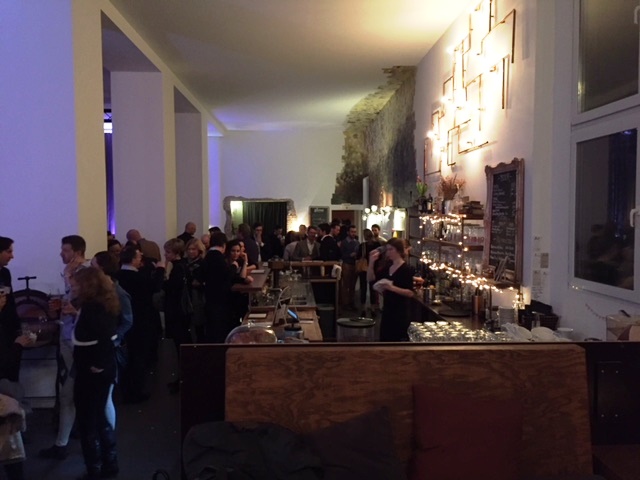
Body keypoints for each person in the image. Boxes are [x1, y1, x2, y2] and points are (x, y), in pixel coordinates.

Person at [40, 235, 91, 461]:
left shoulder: (85, 275)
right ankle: (64, 442)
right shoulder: (71, 273)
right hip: (68, 336)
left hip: (77, 341)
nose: (61, 253)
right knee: (68, 392)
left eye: (65, 250)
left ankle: (73, 443)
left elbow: (85, 306)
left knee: (73, 392)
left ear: (77, 252)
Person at [70, 267, 119, 480]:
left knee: (88, 422)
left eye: (75, 283)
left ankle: (94, 468)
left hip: (91, 373)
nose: (72, 286)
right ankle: (110, 463)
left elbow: (103, 337)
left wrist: (98, 363)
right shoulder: (105, 304)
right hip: (102, 371)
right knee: (100, 418)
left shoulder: (91, 308)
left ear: (86, 285)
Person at [89, 251, 132, 478]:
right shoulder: (101, 292)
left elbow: (128, 320)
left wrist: (113, 339)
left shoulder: (117, 292)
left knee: (105, 398)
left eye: (94, 265)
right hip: (103, 349)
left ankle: (108, 446)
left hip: (108, 350)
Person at [367, 238, 414, 342]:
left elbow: (410, 293)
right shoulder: (387, 267)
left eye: (390, 249)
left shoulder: (406, 269)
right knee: (385, 340)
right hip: (387, 310)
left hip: (400, 312)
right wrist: (371, 262)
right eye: (387, 250)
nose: (388, 253)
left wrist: (391, 288)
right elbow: (371, 279)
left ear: (399, 251)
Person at [200, 232, 234, 343]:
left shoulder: (207, 256)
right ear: (224, 245)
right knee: (219, 327)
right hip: (219, 298)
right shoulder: (218, 257)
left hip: (209, 296)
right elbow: (226, 275)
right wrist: (234, 266)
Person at [225, 240, 253, 325]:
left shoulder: (238, 261)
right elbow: (234, 278)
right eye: (233, 251)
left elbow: (242, 276)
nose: (235, 254)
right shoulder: (225, 263)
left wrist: (245, 262)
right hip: (227, 294)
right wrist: (244, 280)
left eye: (237, 251)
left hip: (237, 292)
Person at [184, 239, 207, 343]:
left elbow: (199, 282)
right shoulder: (184, 263)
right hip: (187, 295)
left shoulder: (202, 263)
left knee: (198, 323)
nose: (191, 252)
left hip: (198, 296)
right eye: (189, 249)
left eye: (193, 249)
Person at [0, 237, 20, 349]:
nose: (12, 256)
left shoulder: (5, 273)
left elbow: (10, 301)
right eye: (9, 252)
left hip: (7, 328)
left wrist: (17, 328)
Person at [357, 229, 380, 316]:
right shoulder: (377, 245)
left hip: (364, 269)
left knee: (363, 288)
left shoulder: (362, 246)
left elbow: (358, 256)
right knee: (372, 289)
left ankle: (363, 308)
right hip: (374, 268)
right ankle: (373, 308)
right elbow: (380, 257)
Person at [339, 225, 359, 311]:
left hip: (354, 264)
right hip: (346, 264)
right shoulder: (344, 242)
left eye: (354, 232)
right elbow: (340, 254)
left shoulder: (357, 242)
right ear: (348, 232)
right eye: (352, 232)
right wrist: (349, 255)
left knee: (353, 284)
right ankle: (345, 303)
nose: (353, 233)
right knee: (346, 284)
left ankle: (352, 302)